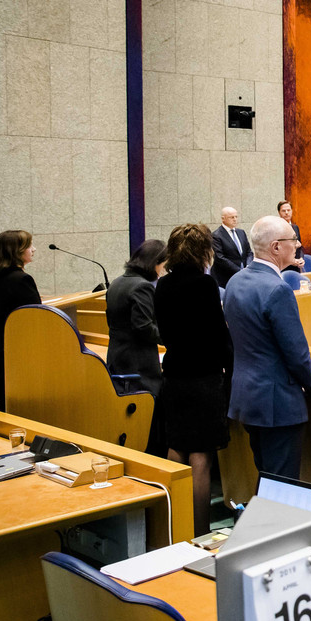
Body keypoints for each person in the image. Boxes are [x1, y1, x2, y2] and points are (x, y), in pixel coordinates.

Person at [224, 216, 311, 478]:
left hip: (248, 397)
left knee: (266, 477)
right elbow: (297, 354)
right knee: (282, 485)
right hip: (277, 403)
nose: (298, 244)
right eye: (293, 239)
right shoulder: (278, 289)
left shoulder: (235, 281)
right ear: (276, 247)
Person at [155, 223, 233, 537]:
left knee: (176, 447)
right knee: (201, 453)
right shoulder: (204, 284)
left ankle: (177, 527)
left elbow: (163, 332)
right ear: (203, 250)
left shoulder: (162, 285)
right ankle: (200, 531)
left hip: (174, 373)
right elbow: (217, 333)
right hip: (203, 375)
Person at [106, 239, 168, 452]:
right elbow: (144, 327)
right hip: (139, 363)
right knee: (147, 420)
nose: (163, 270)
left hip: (117, 356)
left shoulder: (117, 282)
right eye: (163, 264)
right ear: (154, 262)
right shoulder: (142, 286)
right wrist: (170, 338)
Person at [0, 229, 42, 411]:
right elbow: (37, 318)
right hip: (17, 355)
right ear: (16, 251)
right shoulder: (22, 279)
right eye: (29, 245)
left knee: (5, 408)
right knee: (22, 411)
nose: (34, 249)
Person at [212, 206, 252, 286]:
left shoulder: (241, 232)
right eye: (231, 217)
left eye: (236, 217)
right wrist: (239, 270)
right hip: (227, 276)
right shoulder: (216, 235)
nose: (235, 219)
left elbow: (249, 252)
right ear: (223, 218)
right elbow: (220, 258)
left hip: (245, 274)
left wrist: (248, 266)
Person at [278, 200, 304, 270]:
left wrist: (301, 258)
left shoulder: (295, 227)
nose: (286, 213)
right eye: (283, 211)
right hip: (283, 268)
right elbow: (278, 250)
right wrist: (291, 261)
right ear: (279, 213)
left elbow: (300, 247)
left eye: (288, 210)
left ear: (291, 211)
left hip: (297, 267)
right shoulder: (276, 229)